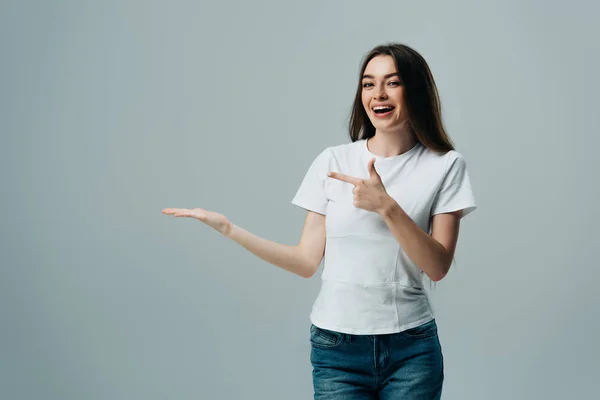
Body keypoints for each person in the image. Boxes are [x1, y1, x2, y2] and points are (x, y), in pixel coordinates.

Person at [162, 42, 476, 399]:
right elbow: (306, 261)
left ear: (415, 90)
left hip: (411, 350)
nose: (378, 94)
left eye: (392, 82)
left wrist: (387, 207)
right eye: (368, 83)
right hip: (337, 350)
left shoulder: (446, 165)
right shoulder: (333, 161)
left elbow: (437, 266)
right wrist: (229, 229)